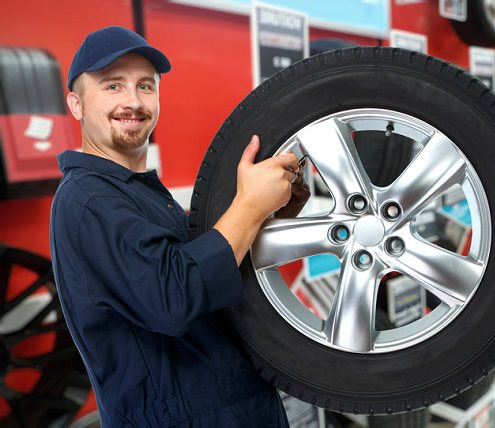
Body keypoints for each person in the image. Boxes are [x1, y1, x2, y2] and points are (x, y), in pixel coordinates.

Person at [50, 26, 308, 427]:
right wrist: (250, 207)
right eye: (113, 86)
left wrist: (268, 213)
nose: (133, 101)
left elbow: (208, 266)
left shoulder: (139, 192)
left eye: (145, 86)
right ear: (76, 104)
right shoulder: (89, 200)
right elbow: (173, 296)